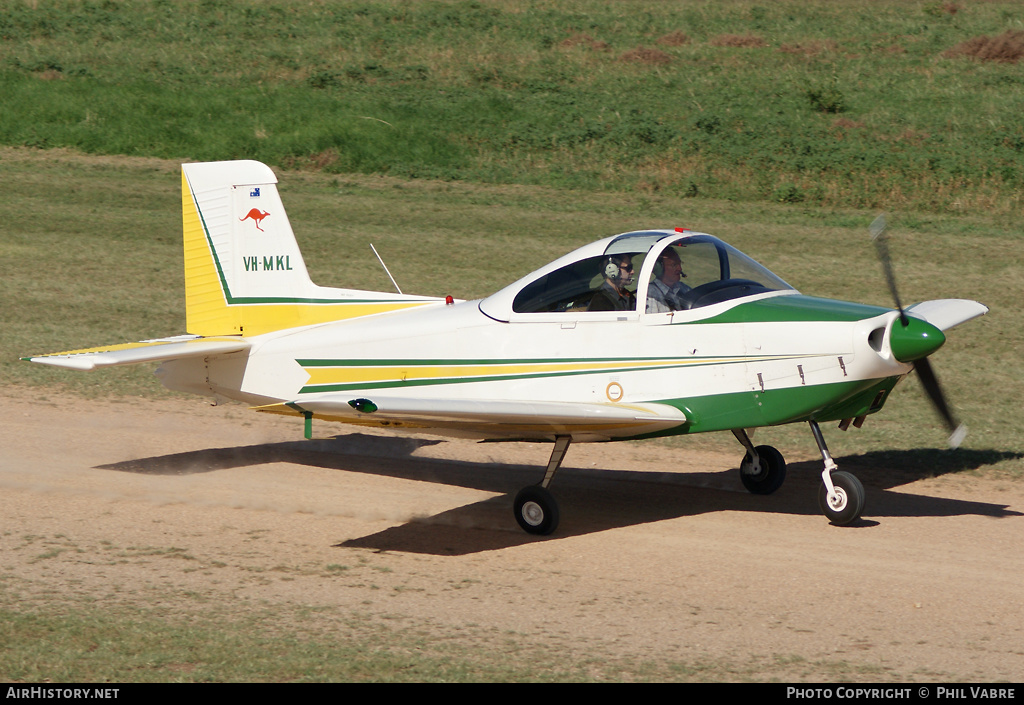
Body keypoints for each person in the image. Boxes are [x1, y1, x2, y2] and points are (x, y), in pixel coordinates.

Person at [646, 247, 690, 313]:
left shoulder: (682, 288)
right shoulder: (651, 292)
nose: (680, 268)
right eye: (674, 265)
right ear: (659, 268)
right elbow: (652, 321)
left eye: (679, 264)